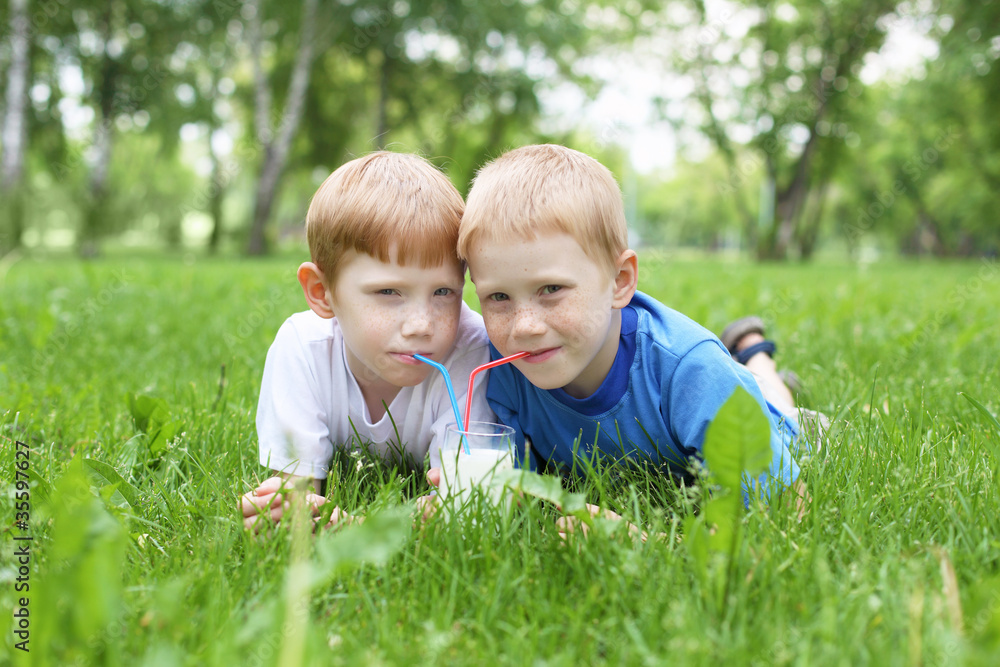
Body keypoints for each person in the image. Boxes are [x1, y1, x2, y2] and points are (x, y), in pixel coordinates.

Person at [445, 144, 821, 531]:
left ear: (620, 281)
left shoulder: (692, 370)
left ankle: (754, 354)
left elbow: (784, 510)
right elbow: (517, 497)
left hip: (760, 412)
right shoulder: (507, 369)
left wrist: (653, 548)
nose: (524, 327)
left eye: (552, 289)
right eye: (498, 297)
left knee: (776, 402)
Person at [240, 152, 493, 532]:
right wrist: (286, 511)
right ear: (322, 292)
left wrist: (361, 526)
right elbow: (296, 492)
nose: (421, 325)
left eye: (443, 291)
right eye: (389, 291)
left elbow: (465, 502)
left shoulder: (470, 351)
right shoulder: (302, 347)